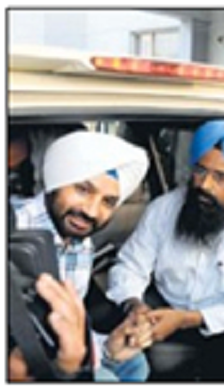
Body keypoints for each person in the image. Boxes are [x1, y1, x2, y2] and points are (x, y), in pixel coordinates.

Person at [106, 119, 224, 380]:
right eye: (200, 171)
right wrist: (135, 306)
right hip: (165, 307)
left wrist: (188, 319)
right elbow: (130, 266)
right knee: (115, 319)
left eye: (221, 178)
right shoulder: (163, 208)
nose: (205, 185)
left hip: (223, 319)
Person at [12, 131, 152, 381]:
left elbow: (70, 327)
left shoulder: (81, 244)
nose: (91, 211)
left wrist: (109, 347)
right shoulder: (13, 229)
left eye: (108, 202)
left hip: (58, 352)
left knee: (135, 364)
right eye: (83, 189)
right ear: (55, 181)